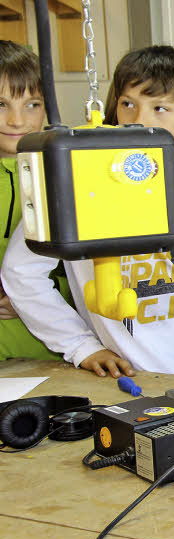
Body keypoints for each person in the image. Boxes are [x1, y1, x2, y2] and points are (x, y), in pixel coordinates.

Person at [1, 45, 174, 379]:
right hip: (136, 381)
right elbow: (20, 274)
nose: (139, 120)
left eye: (160, 108)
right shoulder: (75, 182)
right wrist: (80, 345)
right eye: (128, 104)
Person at [0, 41, 75, 362]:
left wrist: (32, 297)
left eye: (32, 104)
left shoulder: (66, 175)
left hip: (54, 356)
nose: (17, 120)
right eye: (0, 104)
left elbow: (86, 273)